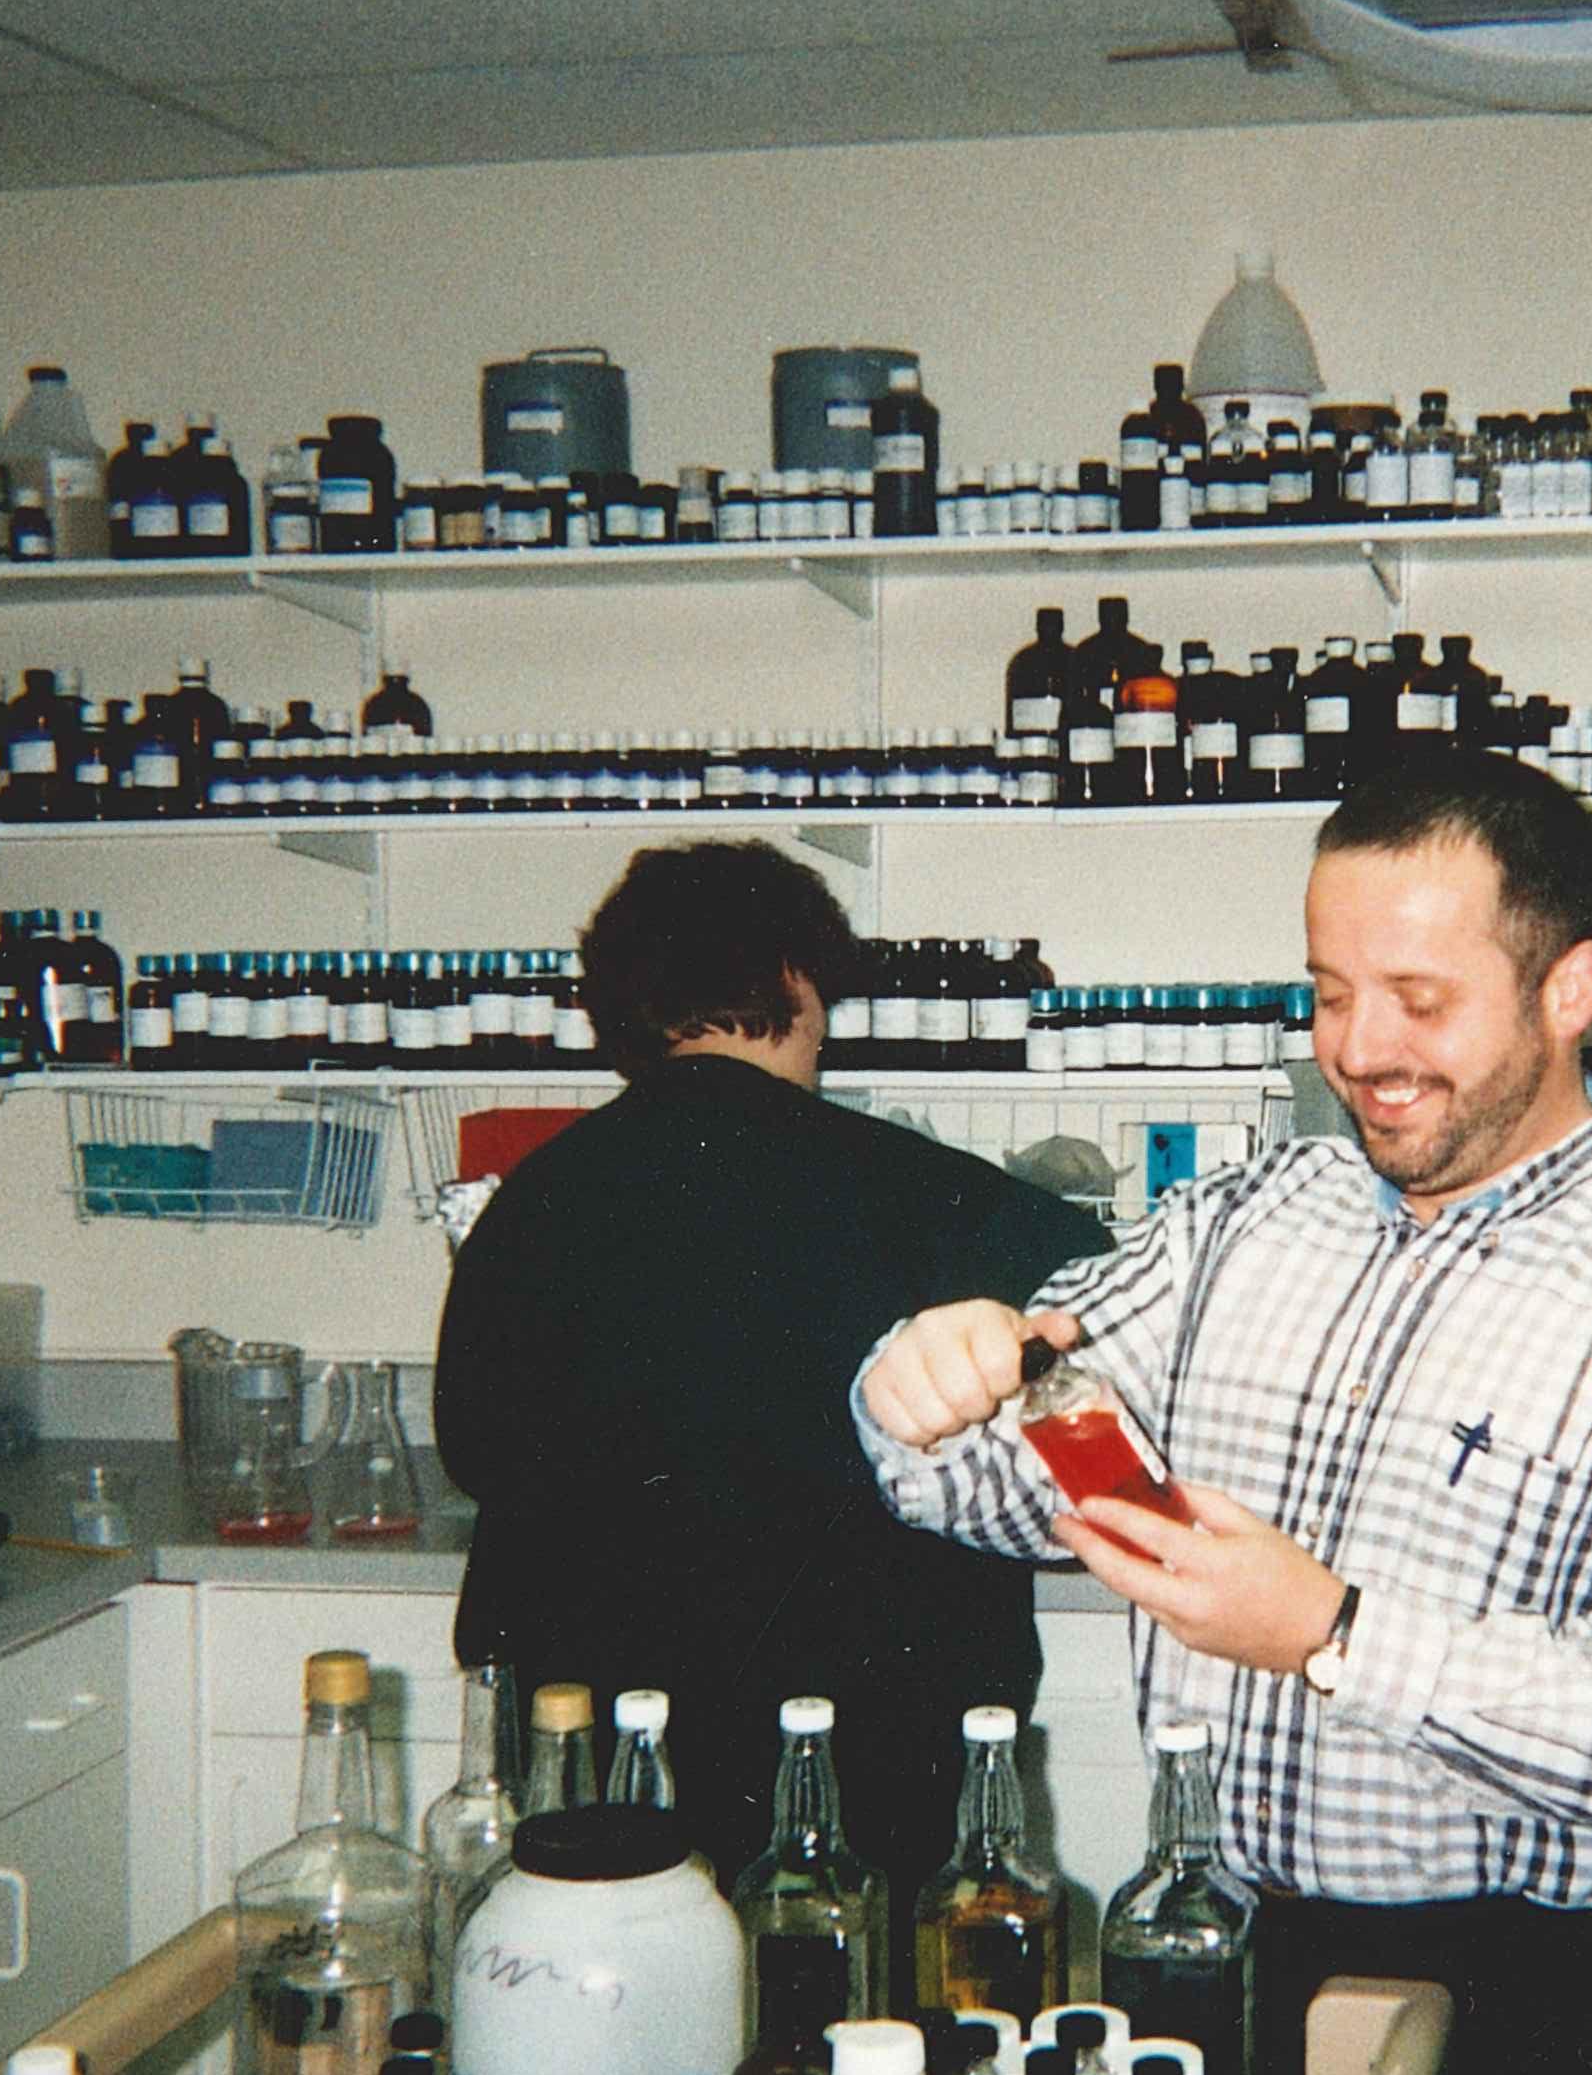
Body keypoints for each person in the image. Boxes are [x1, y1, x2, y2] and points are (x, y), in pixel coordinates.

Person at [854, 754, 1592, 2075]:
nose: (1360, 1051)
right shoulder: (1245, 1223)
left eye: (1418, 996)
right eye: (1329, 992)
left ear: (1572, 988)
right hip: (1248, 1970)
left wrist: (1335, 1637)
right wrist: (917, 1385)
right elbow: (1008, 1480)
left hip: (1578, 2025)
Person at [436, 840, 1107, 1970]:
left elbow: (472, 1448)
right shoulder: (926, 1192)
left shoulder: (531, 1203)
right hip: (874, 1765)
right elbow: (1110, 1362)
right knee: (883, 2058)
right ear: (799, 984)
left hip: (604, 1768)